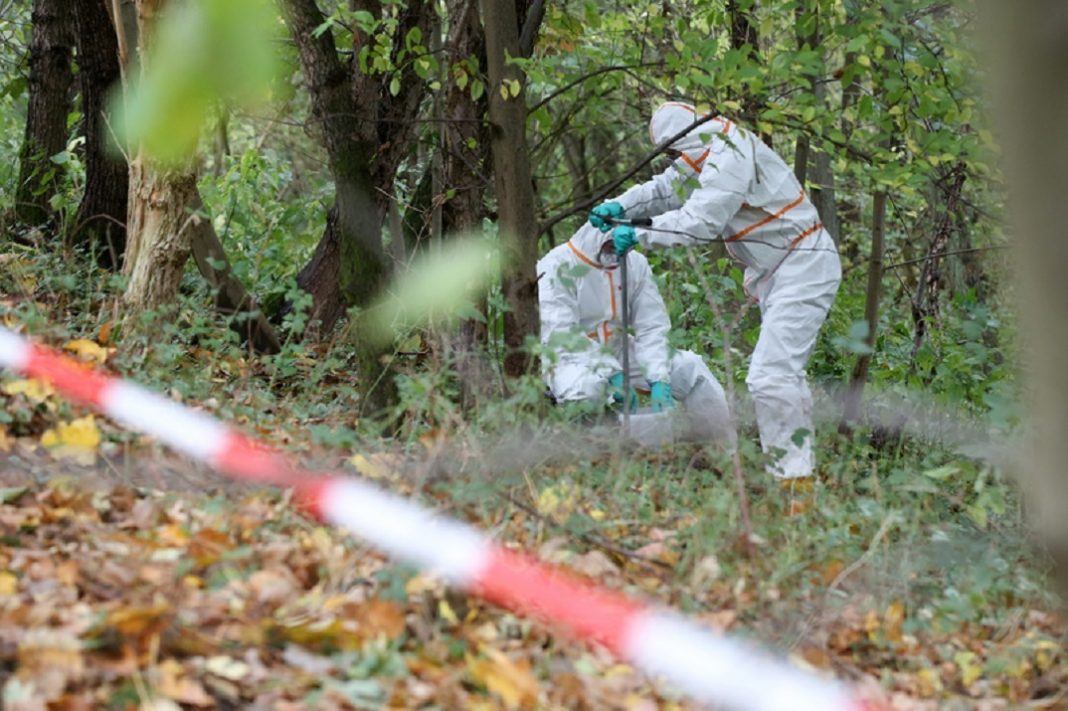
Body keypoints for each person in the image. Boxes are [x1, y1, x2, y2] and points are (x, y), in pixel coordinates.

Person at [589, 101, 841, 481]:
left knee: (770, 376)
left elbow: (700, 222)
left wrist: (637, 233)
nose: (675, 160)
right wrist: (621, 204)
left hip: (803, 263)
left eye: (675, 151)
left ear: (687, 140)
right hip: (778, 270)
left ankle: (794, 485)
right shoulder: (708, 151)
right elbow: (666, 189)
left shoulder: (731, 153)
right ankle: (796, 477)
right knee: (785, 376)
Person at [538, 222, 734, 444]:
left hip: (619, 349)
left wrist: (658, 376)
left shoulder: (635, 264)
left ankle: (720, 451)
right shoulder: (556, 264)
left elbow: (651, 325)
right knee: (588, 388)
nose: (619, 253)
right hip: (568, 359)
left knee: (690, 368)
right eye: (613, 246)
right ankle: (593, 460)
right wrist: (611, 373)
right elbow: (561, 333)